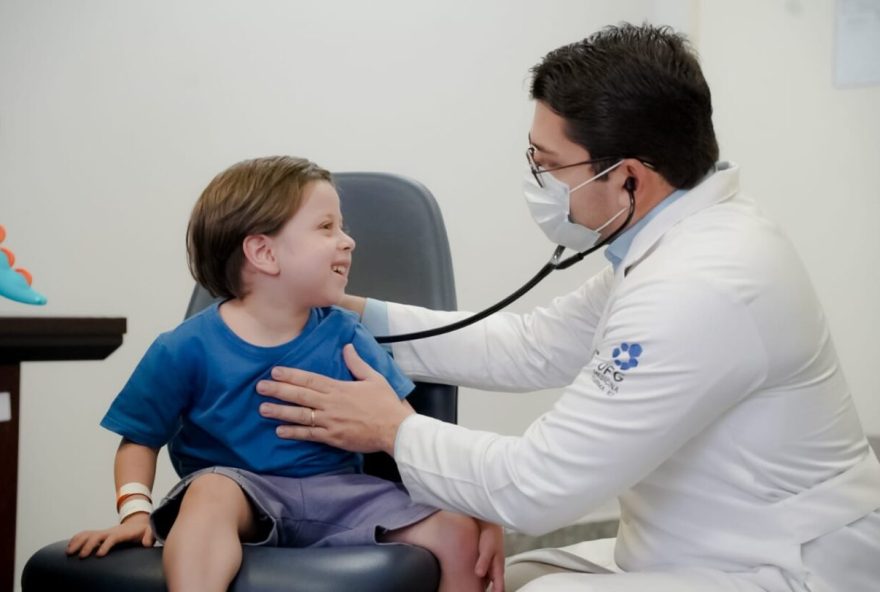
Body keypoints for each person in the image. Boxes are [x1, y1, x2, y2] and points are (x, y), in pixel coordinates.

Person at [255, 24, 880, 592]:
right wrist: (344, 313)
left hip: (787, 565)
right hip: (702, 544)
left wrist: (390, 428)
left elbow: (537, 486)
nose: (540, 182)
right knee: (513, 575)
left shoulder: (700, 286)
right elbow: (530, 346)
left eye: (550, 165)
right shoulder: (671, 240)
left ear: (630, 178)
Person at [65, 156, 504, 592]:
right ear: (264, 253)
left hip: (342, 494)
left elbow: (407, 432)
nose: (348, 241)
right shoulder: (183, 348)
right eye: (326, 227)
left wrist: (465, 502)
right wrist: (136, 513)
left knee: (459, 531)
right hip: (239, 493)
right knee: (209, 494)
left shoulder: (347, 333)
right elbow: (139, 438)